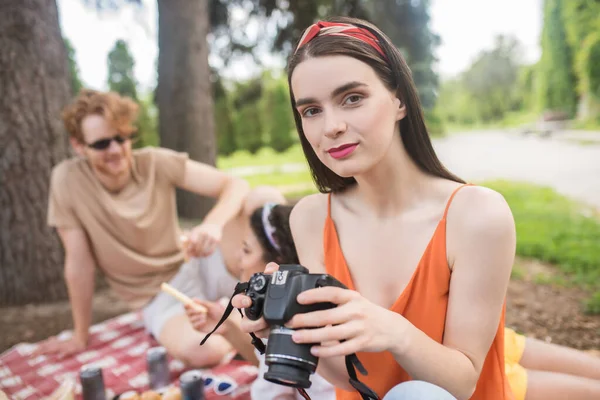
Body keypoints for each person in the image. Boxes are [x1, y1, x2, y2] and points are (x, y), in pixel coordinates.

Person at [232, 17, 516, 400]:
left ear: (398, 99)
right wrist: (276, 328)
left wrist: (394, 331)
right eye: (311, 111)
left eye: (352, 98)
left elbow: (461, 383)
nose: (331, 126)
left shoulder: (477, 216)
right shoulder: (310, 217)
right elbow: (350, 377)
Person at [191, 202, 600, 400]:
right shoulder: (318, 232)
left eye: (248, 250)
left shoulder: (320, 279)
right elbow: (328, 374)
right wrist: (257, 327)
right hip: (434, 366)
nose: (241, 266)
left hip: (457, 362)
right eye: (310, 110)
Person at [36, 88, 281, 369]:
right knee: (203, 350)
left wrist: (212, 224)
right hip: (159, 296)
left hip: (198, 263)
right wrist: (81, 335)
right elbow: (79, 263)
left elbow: (236, 185)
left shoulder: (154, 161)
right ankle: (249, 320)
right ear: (79, 145)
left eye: (121, 138)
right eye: (102, 144)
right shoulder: (67, 181)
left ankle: (283, 296)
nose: (115, 150)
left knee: (264, 199)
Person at [185, 203, 335, 400]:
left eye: (247, 250)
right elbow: (270, 368)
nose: (239, 258)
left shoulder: (302, 322)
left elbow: (281, 391)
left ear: (275, 264)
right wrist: (228, 329)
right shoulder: (292, 306)